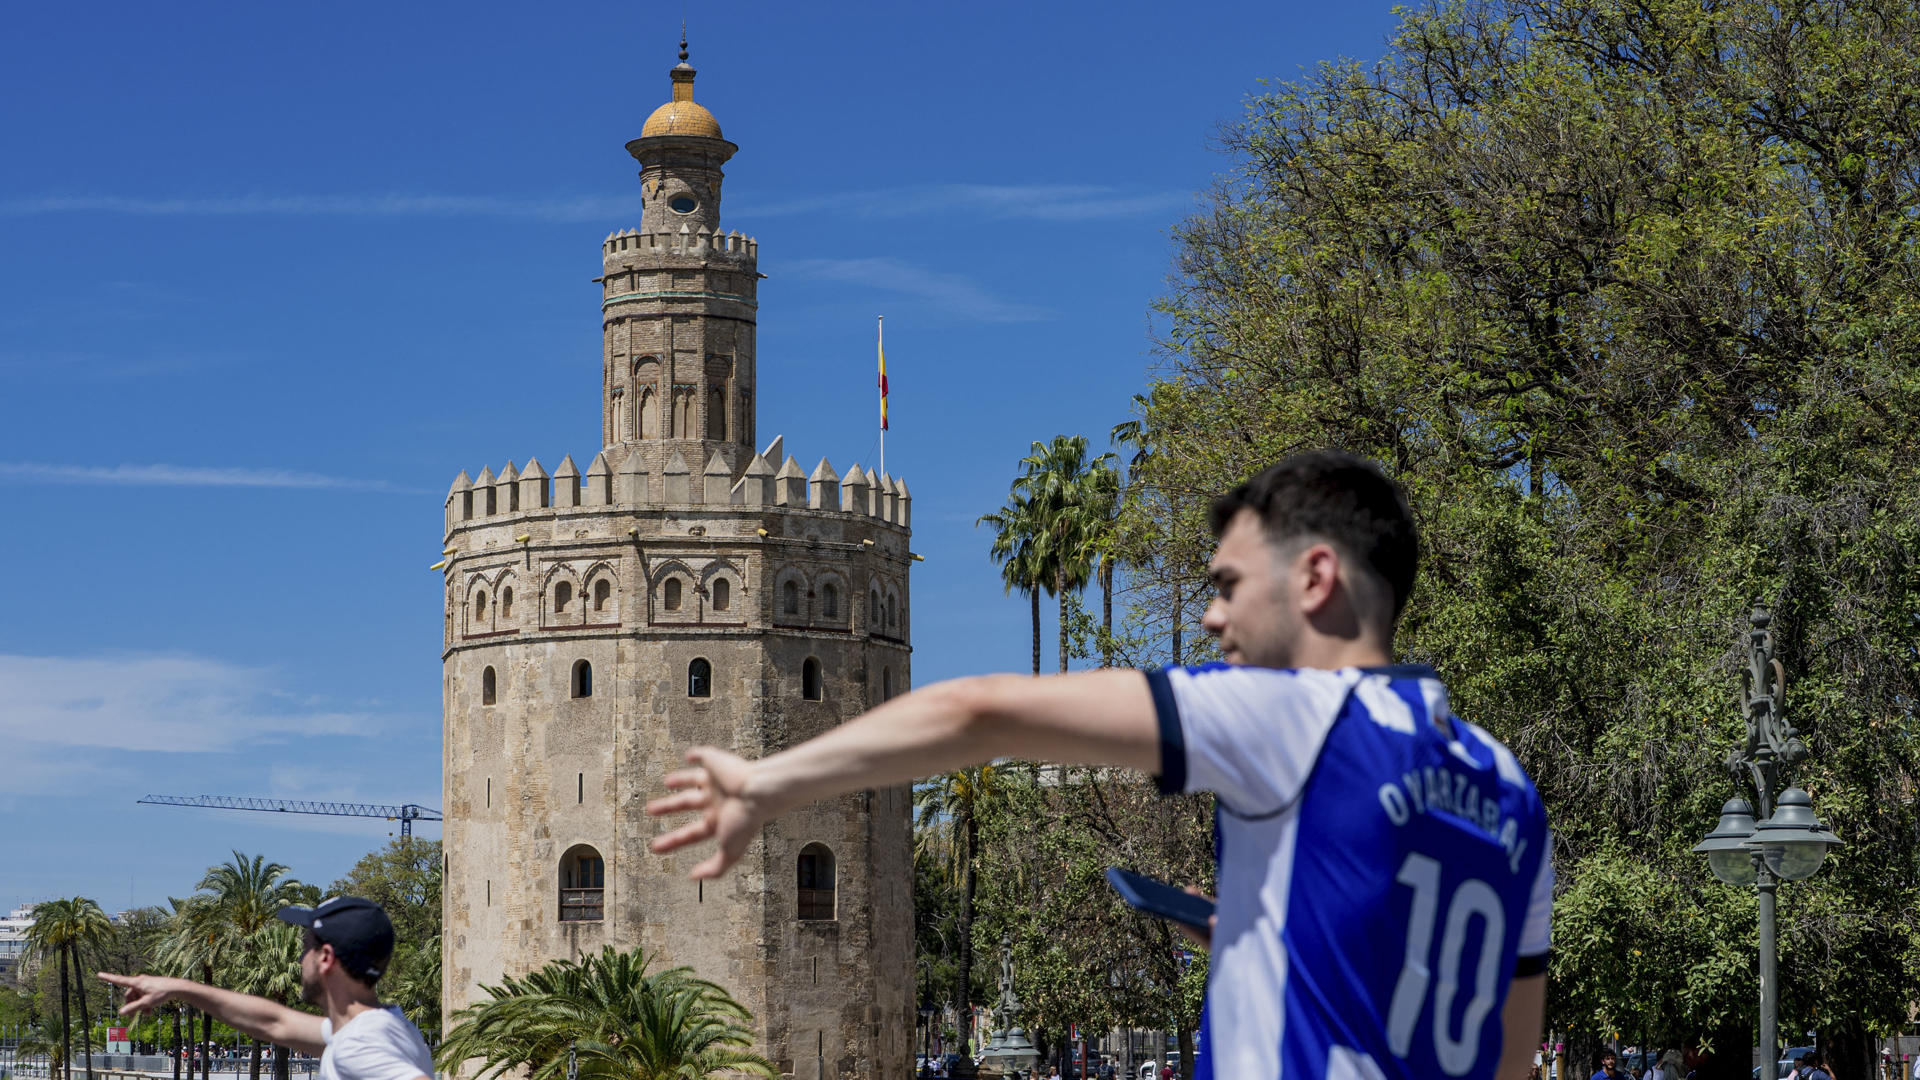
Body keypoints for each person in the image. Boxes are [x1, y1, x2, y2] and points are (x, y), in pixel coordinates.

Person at [647, 451, 1554, 1080]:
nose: (1208, 618)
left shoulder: (1297, 717)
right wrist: (1270, 937)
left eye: (1229, 584)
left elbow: (982, 711)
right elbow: (1509, 1054)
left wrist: (767, 783)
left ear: (1316, 578)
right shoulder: (1507, 790)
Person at [99, 896, 432, 1080]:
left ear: (325, 958)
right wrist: (179, 988)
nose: (300, 957)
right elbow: (274, 1022)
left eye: (306, 945)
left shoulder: (358, 1045)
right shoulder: (389, 1026)